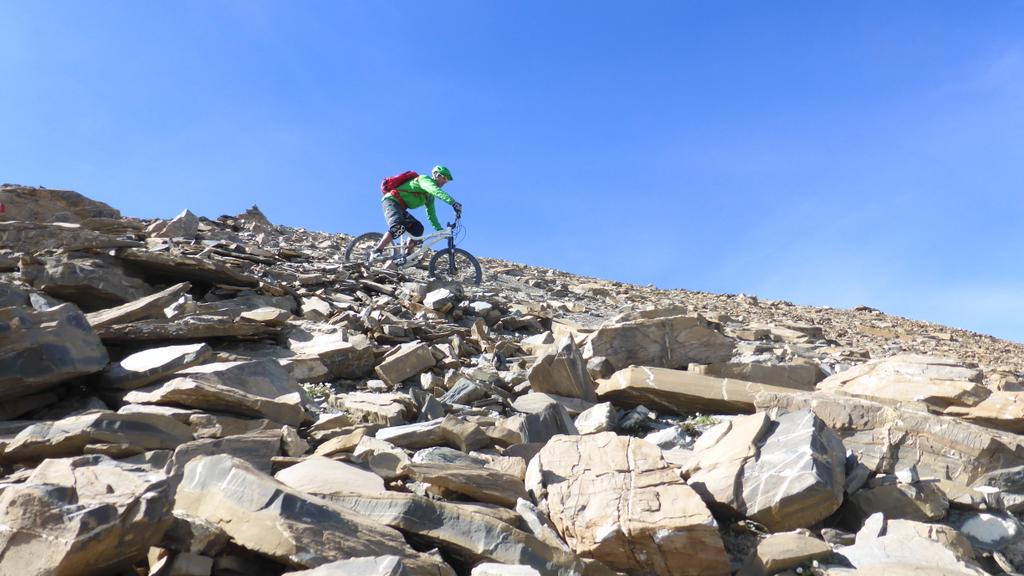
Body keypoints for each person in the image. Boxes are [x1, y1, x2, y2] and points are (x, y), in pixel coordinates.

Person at [369, 165, 462, 260]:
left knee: (418, 228)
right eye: (444, 178)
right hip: (391, 201)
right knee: (398, 226)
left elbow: (431, 215)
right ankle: (377, 250)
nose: (445, 182)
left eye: (446, 181)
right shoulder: (424, 179)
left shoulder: (429, 196)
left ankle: (406, 256)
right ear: (436, 175)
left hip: (401, 207)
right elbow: (435, 190)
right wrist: (453, 203)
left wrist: (439, 230)